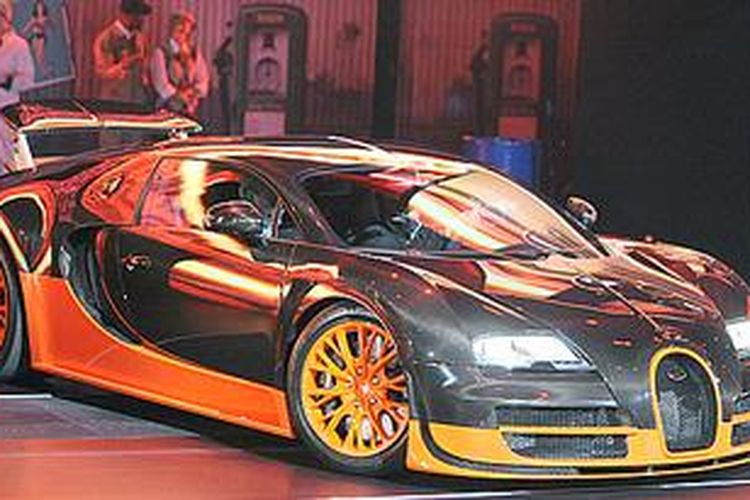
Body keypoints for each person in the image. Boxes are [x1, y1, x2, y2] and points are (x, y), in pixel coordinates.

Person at [151, 11, 209, 117]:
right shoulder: (161, 52)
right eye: (180, 30)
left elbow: (203, 79)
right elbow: (161, 84)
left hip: (190, 109)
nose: (184, 35)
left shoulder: (195, 53)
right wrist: (180, 95)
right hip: (167, 108)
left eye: (188, 32)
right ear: (172, 30)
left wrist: (193, 93)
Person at [93, 0, 152, 103]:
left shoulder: (141, 38)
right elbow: (103, 72)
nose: (142, 19)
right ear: (125, 15)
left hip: (138, 100)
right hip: (115, 100)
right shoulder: (107, 38)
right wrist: (124, 64)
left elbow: (144, 73)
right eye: (137, 15)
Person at [0, 0, 35, 171]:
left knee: (8, 156)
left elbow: (27, 80)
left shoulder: (18, 44)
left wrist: (4, 80)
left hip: (6, 109)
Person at [23, 0, 51, 78]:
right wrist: (25, 31)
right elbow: (30, 24)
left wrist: (38, 23)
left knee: (40, 55)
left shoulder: (44, 15)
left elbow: (44, 23)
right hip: (34, 36)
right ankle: (45, 71)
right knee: (38, 56)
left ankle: (46, 71)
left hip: (41, 36)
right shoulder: (35, 15)